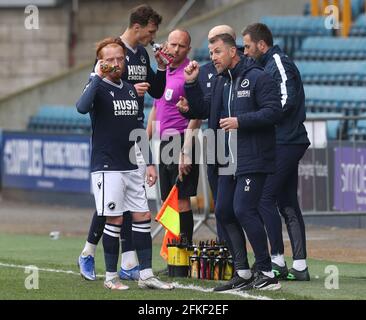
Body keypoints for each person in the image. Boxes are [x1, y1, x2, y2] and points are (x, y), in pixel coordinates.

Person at [179, 33, 282, 291]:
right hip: (227, 159)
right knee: (224, 211)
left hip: (253, 156)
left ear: (232, 52)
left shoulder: (259, 77)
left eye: (217, 52)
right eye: (211, 53)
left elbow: (274, 112)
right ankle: (243, 271)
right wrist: (191, 86)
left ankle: (267, 271)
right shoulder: (221, 83)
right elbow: (202, 110)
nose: (212, 58)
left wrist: (240, 121)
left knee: (244, 210)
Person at [78, 4, 167, 281]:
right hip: (112, 134)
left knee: (133, 203)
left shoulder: (141, 54)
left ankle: (129, 263)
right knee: (111, 206)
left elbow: (158, 89)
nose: (153, 37)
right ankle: (89, 253)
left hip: (134, 130)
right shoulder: (112, 52)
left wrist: (161, 68)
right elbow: (90, 98)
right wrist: (123, 87)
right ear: (138, 27)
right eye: (151, 31)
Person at [242, 23, 311, 281]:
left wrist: (263, 118)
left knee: (264, 198)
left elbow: (286, 98)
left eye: (248, 46)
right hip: (283, 140)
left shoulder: (279, 62)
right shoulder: (264, 64)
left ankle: (277, 261)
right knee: (286, 202)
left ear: (261, 44)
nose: (246, 52)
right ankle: (300, 266)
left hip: (286, 140)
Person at [147, 29, 201, 247]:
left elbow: (197, 114)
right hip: (164, 143)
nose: (176, 49)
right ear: (165, 45)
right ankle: (173, 255)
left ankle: (184, 253)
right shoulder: (163, 72)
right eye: (173, 44)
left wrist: (185, 149)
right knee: (166, 201)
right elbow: (156, 108)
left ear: (188, 48)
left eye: (181, 46)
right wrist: (143, 138)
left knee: (181, 200)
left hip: (181, 140)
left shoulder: (189, 74)